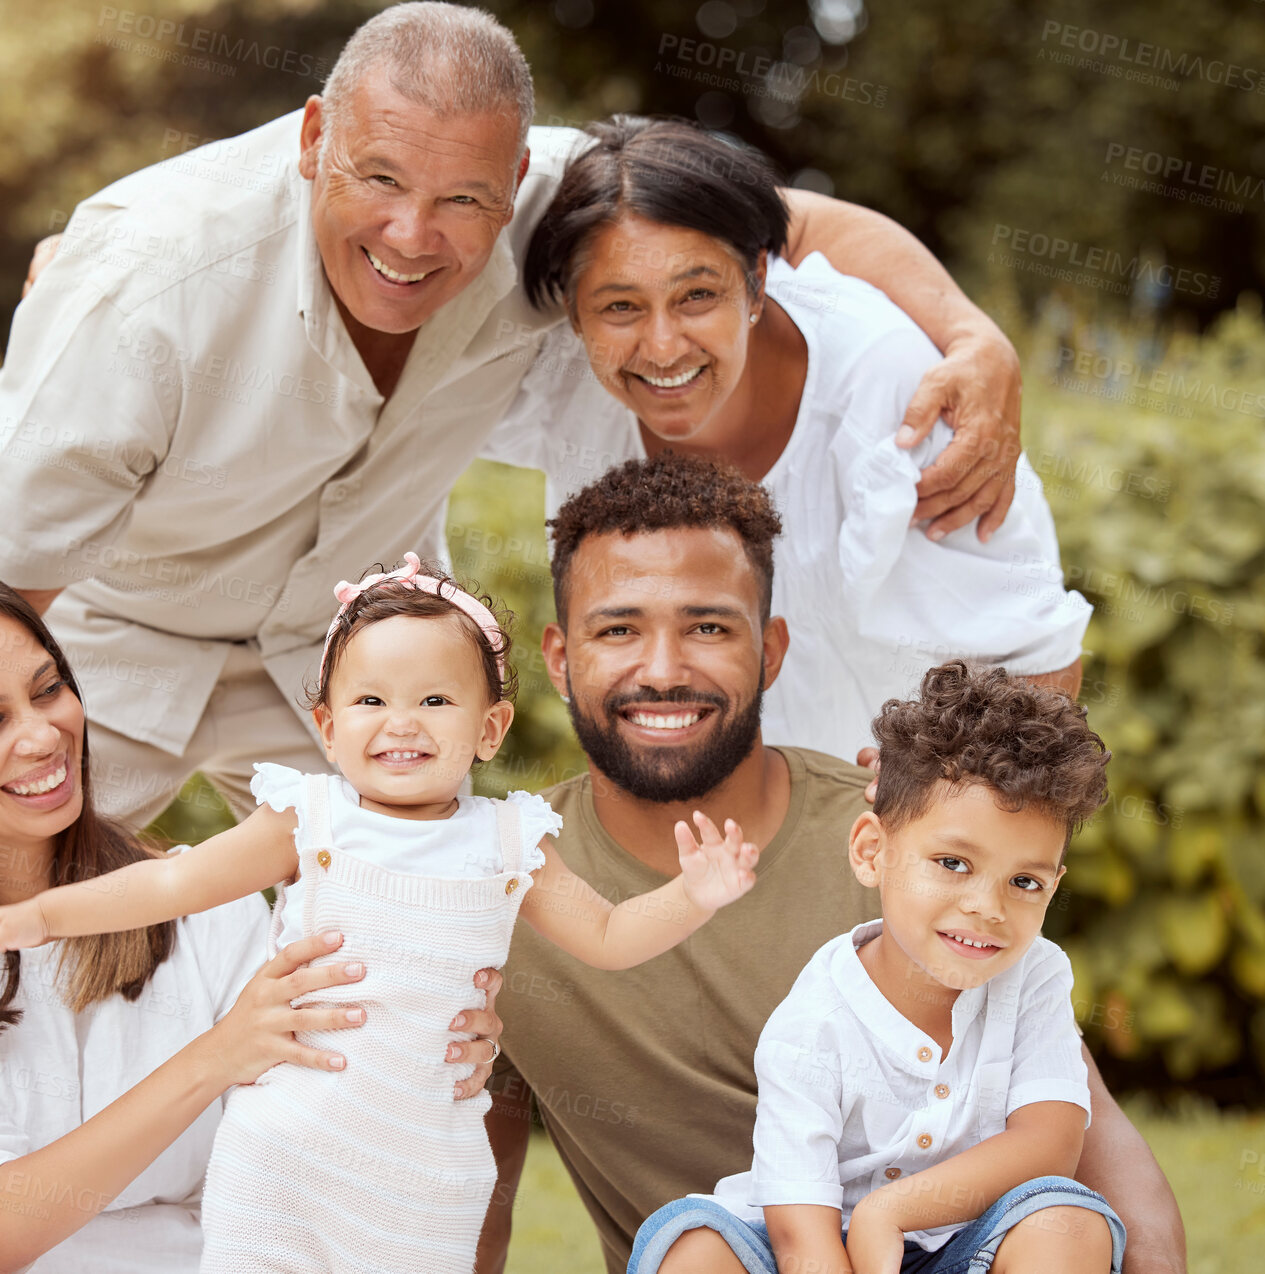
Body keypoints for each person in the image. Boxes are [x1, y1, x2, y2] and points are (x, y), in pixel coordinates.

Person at [0, 2, 1034, 1254]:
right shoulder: (152, 290)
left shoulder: (543, 187)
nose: (413, 234)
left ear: (512, 185)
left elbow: (791, 219)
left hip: (339, 657)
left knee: (410, 949)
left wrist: (975, 336)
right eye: (377, 179)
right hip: (120, 635)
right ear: (315, 137)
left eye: (460, 203)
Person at [0, 553, 758, 1273]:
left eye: (435, 699)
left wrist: (693, 894)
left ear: (489, 727)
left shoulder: (510, 841)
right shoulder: (310, 820)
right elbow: (167, 887)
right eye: (371, 699)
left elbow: (609, 938)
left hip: (424, 1165)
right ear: (329, 729)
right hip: (287, 1146)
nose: (400, 721)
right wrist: (41, 919)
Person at [476, 457, 1187, 1274]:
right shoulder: (503, 873)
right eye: (618, 629)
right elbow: (467, 1161)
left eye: (708, 627)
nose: (664, 668)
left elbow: (1076, 1130)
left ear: (770, 651)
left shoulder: (916, 836)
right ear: (559, 657)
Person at [0, 564, 378, 1273]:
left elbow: (312, 1138)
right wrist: (217, 1056)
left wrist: (435, 1037)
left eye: (50, 689)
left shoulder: (203, 904)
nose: (45, 735)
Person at [490, 115, 1089, 763]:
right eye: (620, 307)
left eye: (696, 295)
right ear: (572, 316)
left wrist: (945, 829)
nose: (662, 348)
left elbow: (1037, 666)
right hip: (714, 829)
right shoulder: (558, 388)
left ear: (755, 280)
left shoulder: (897, 393)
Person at [629, 662, 1126, 1274]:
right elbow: (797, 1234)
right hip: (810, 1248)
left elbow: (1049, 1145)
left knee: (1067, 1224)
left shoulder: (1038, 974)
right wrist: (857, 1230)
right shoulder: (813, 1022)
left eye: (1025, 881)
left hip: (968, 1245)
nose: (986, 908)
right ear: (872, 852)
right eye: (951, 863)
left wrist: (888, 1212)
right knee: (690, 1247)